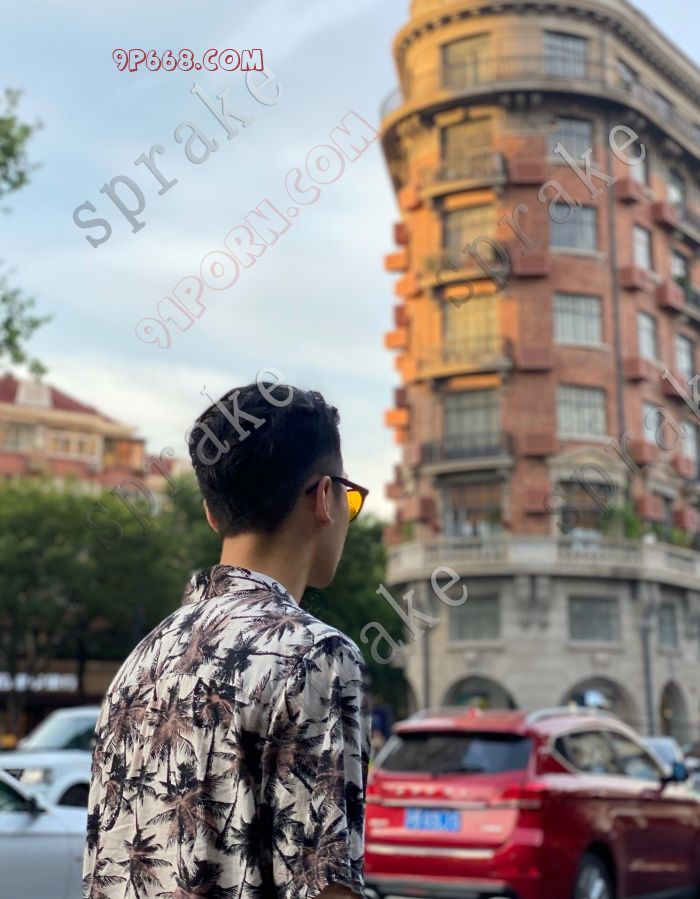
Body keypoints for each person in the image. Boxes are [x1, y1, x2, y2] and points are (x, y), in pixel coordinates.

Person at [82, 380, 372, 899]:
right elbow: (325, 886)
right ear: (324, 497)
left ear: (212, 514)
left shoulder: (141, 661)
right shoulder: (316, 656)